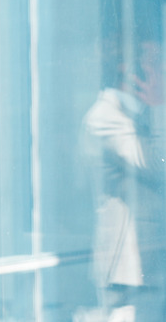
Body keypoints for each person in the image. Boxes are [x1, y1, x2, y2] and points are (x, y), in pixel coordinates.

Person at [81, 36, 166, 322]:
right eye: (154, 62)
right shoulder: (104, 117)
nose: (162, 69)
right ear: (129, 70)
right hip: (126, 273)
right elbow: (158, 164)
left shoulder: (138, 114)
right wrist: (159, 106)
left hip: (149, 267)